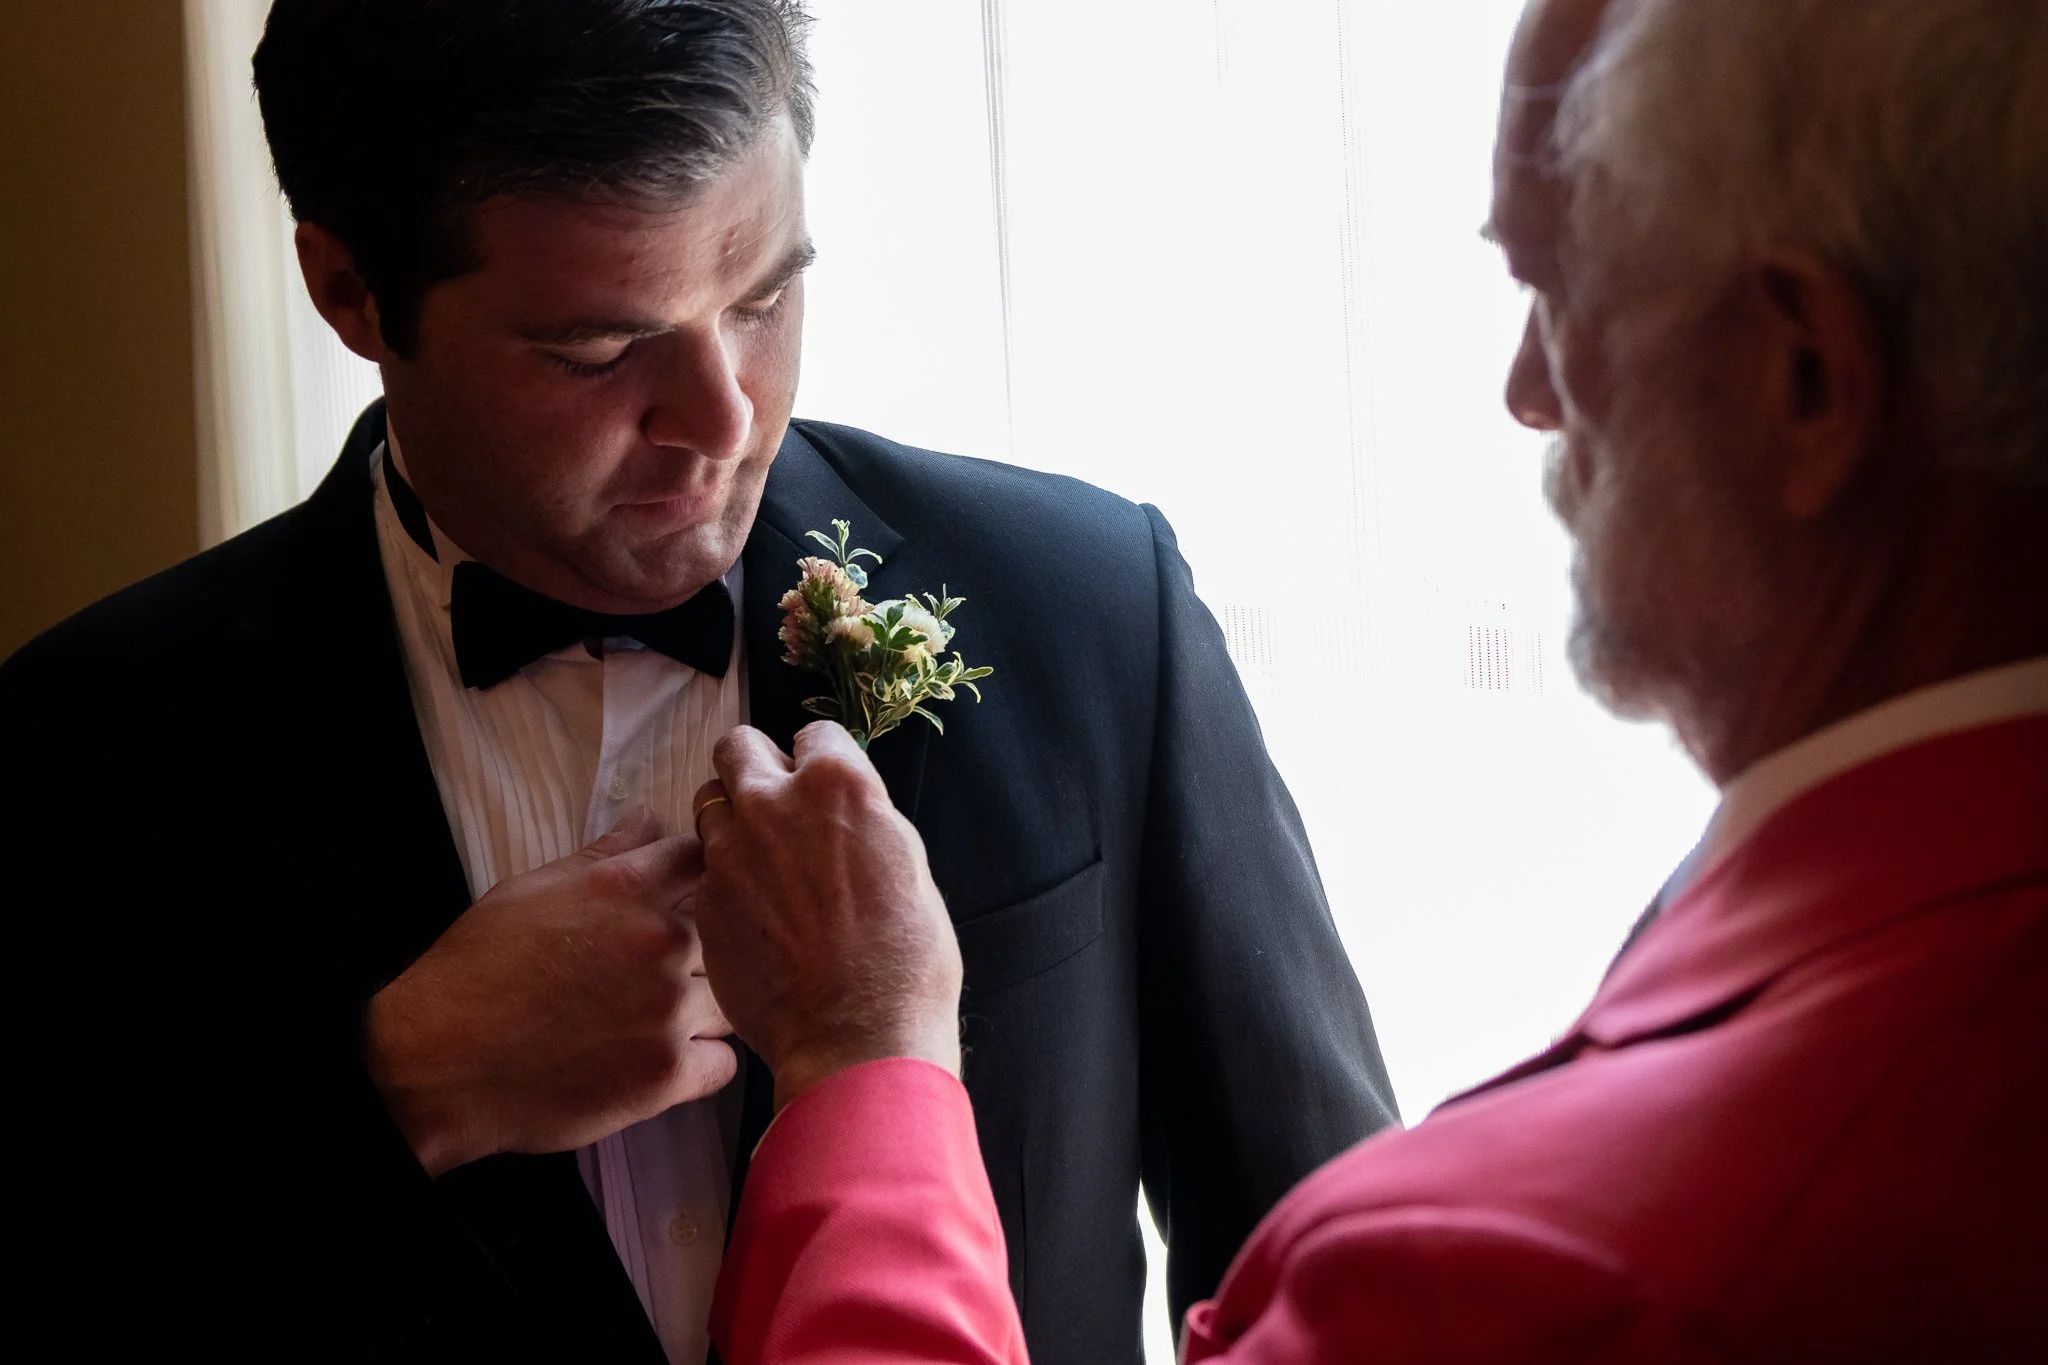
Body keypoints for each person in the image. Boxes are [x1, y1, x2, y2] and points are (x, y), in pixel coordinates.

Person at [0, 2, 1396, 1359]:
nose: (726, 421)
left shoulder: (1087, 607)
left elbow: (1336, 1272)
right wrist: (403, 1089)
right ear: (351, 292)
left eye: (765, 296)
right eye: (599, 352)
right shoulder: (93, 740)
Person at [687, 0, 2048, 1360]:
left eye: (1559, 290)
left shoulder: (1525, 1276)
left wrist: (865, 1059)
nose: (1528, 390)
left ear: (1805, 376)